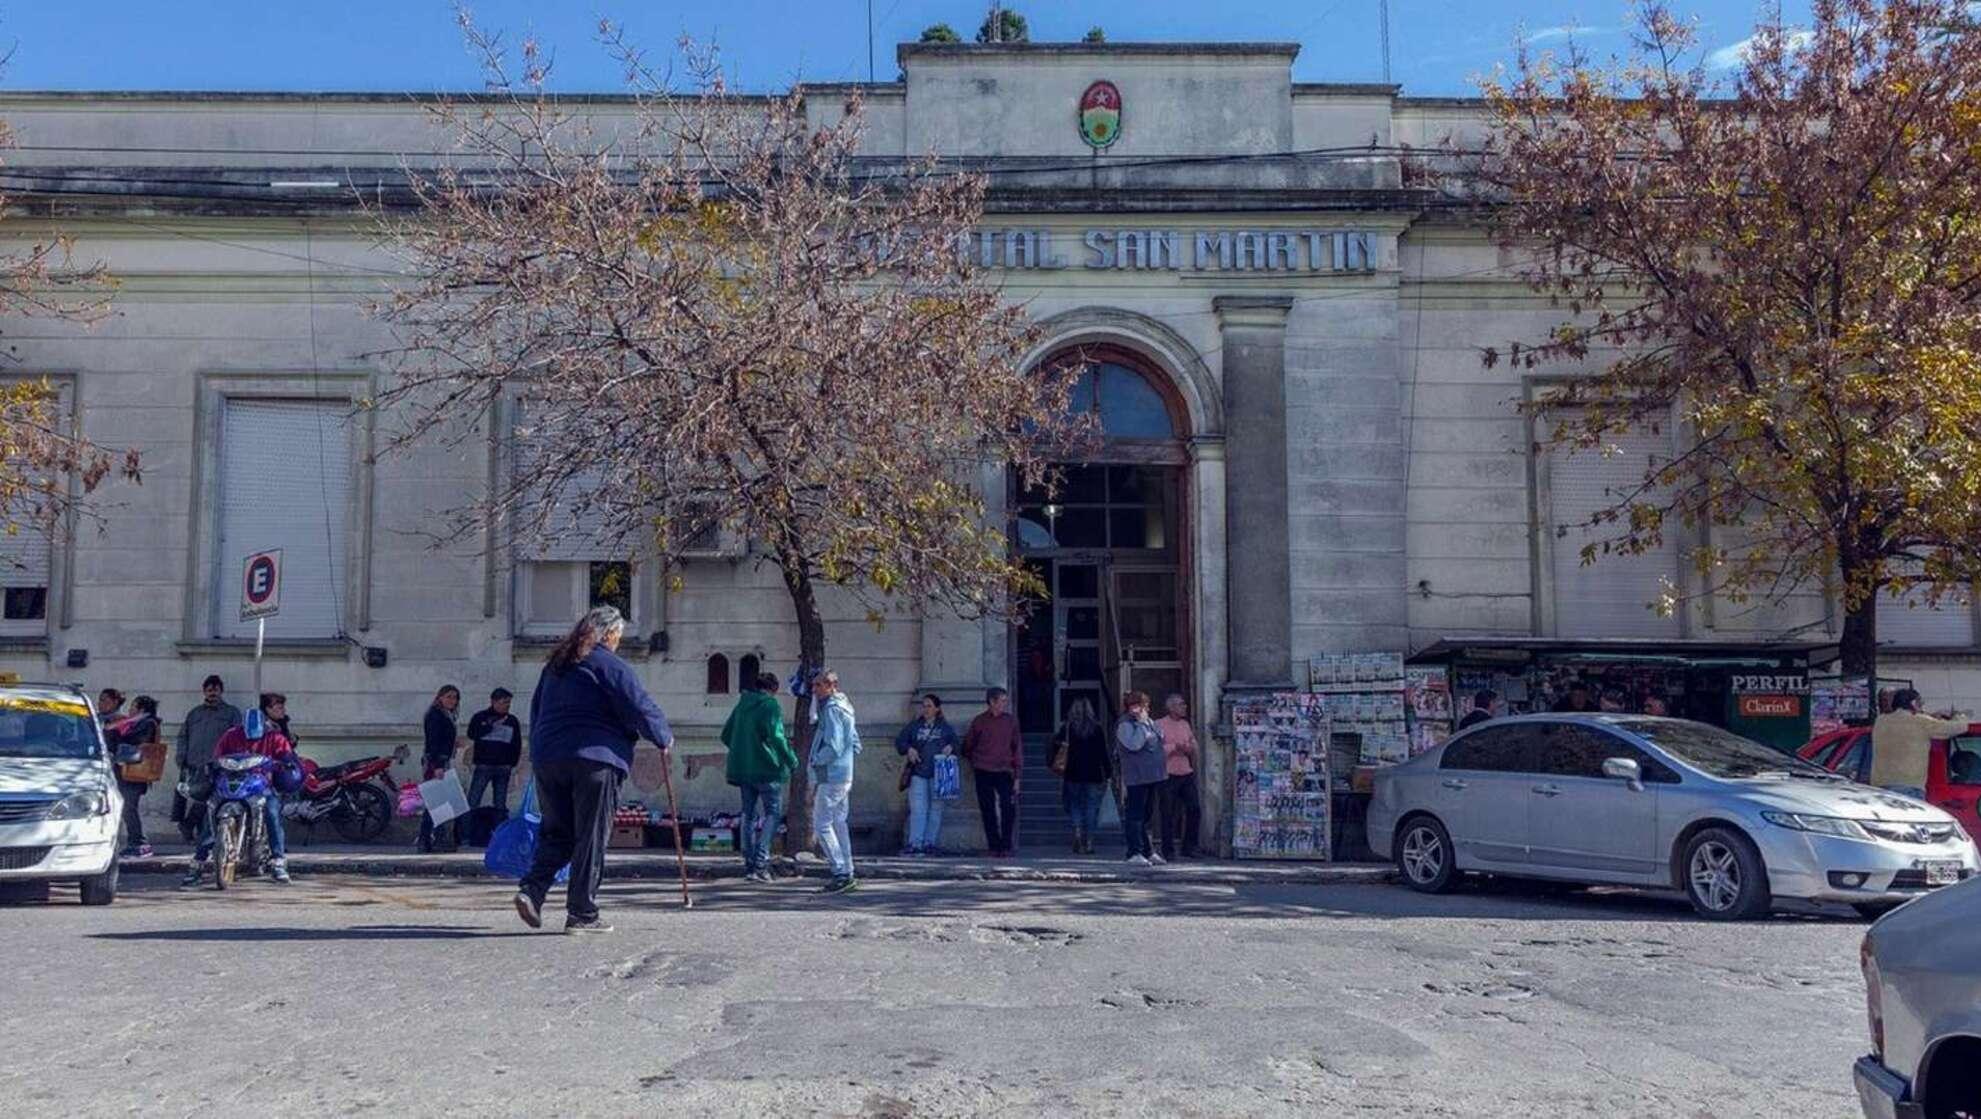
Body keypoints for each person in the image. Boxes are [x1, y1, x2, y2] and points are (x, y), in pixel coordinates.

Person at [515, 606, 672, 934]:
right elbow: (639, 705)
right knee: (591, 836)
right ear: (610, 634)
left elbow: (537, 710)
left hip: (549, 757)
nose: (618, 642)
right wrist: (663, 737)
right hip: (595, 759)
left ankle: (532, 891)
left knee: (557, 833)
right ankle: (582, 914)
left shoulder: (556, 667)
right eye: (618, 636)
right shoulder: (609, 664)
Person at [183, 693, 296, 886]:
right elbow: (217, 757)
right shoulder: (231, 736)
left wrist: (284, 764)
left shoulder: (275, 737)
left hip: (260, 786)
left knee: (272, 812)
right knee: (211, 813)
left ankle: (278, 862)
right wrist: (213, 765)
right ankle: (198, 863)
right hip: (230, 784)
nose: (251, 739)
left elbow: (287, 757)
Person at [722, 671, 797, 883]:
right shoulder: (770, 705)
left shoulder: (741, 705)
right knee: (772, 814)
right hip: (767, 769)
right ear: (773, 689)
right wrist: (791, 760)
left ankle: (749, 863)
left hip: (743, 770)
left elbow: (726, 734)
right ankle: (761, 865)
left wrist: (744, 751)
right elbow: (777, 736)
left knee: (748, 814)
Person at [807, 669, 862, 895]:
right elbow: (855, 742)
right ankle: (847, 870)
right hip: (844, 773)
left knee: (822, 824)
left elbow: (835, 745)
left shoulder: (831, 709)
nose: (815, 690)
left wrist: (815, 760)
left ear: (831, 686)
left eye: (819, 685)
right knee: (839, 823)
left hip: (831, 775)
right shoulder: (846, 706)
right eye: (814, 685)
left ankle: (840, 872)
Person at [174, 675, 242, 843]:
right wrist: (181, 755)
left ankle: (191, 826)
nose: (212, 693)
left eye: (216, 690)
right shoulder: (194, 713)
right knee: (197, 797)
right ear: (204, 691)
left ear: (221, 691)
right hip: (195, 763)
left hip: (218, 764)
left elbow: (238, 737)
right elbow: (183, 736)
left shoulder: (231, 713)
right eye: (209, 690)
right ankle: (196, 831)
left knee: (210, 798)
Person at [1869, 688, 1971, 799]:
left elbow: (1905, 721)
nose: (1922, 706)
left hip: (1879, 788)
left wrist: (1931, 716)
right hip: (1908, 788)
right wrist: (1960, 716)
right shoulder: (1921, 722)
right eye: (1921, 703)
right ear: (1913, 703)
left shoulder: (1880, 721)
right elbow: (1959, 727)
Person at [894, 693, 959, 856]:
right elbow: (900, 741)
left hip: (940, 774)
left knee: (936, 809)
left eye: (929, 706)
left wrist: (951, 747)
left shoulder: (944, 728)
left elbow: (957, 743)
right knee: (918, 809)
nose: (926, 709)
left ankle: (930, 842)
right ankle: (915, 843)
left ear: (937, 709)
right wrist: (909, 749)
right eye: (924, 706)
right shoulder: (914, 726)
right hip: (918, 771)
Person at [963, 686, 1023, 857]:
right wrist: (974, 760)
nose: (1005, 704)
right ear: (991, 702)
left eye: (1005, 700)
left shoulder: (1010, 721)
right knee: (987, 808)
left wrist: (1017, 776)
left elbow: (1017, 748)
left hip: (1004, 770)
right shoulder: (979, 721)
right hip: (983, 769)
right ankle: (993, 845)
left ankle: (1006, 845)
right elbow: (968, 745)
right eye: (1002, 700)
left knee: (1008, 807)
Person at [1115, 691, 1167, 867]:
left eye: (1145, 706)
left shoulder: (1149, 723)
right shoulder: (1126, 725)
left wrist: (1147, 724)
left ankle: (1148, 850)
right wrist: (1142, 724)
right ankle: (1134, 851)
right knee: (1135, 814)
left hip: (1152, 775)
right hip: (1137, 776)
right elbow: (1134, 744)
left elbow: (1160, 738)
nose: (1144, 709)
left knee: (1146, 815)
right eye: (1139, 706)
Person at [1053, 697, 1110, 855]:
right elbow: (1103, 752)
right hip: (1093, 774)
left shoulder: (1068, 728)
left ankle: (1077, 832)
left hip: (1072, 773)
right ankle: (1090, 841)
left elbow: (1055, 744)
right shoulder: (1097, 728)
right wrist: (1109, 772)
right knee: (1091, 807)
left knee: (1074, 804)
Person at [417, 685, 466, 853]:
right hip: (436, 763)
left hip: (442, 762)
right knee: (435, 802)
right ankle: (426, 840)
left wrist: (454, 744)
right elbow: (433, 742)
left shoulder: (446, 714)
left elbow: (444, 740)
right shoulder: (435, 715)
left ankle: (437, 839)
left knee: (442, 803)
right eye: (449, 697)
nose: (452, 700)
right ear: (440, 697)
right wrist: (437, 766)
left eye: (455, 697)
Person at [112, 695, 162, 858]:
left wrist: (116, 732)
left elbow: (135, 741)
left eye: (133, 706)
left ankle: (138, 842)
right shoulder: (140, 723)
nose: (130, 710)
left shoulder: (146, 723)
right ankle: (135, 841)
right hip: (130, 773)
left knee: (128, 808)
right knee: (127, 808)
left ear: (141, 709)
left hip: (135, 773)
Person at [1155, 693, 1202, 860]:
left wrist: (1188, 748)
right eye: (1181, 704)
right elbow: (1155, 750)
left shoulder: (1185, 724)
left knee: (1194, 809)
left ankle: (1189, 846)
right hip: (1167, 774)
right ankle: (1167, 850)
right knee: (1167, 813)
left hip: (1186, 772)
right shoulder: (1159, 724)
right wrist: (1174, 747)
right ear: (1171, 707)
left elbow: (1193, 745)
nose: (1185, 707)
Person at [465, 687, 523, 817]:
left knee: (500, 804)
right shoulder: (480, 717)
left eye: (509, 702)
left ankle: (498, 834)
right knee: (473, 800)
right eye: (504, 702)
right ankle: (466, 834)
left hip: (503, 767)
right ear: (494, 702)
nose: (507, 706)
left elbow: (516, 743)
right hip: (484, 765)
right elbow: (472, 734)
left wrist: (512, 763)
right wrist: (490, 726)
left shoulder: (512, 720)